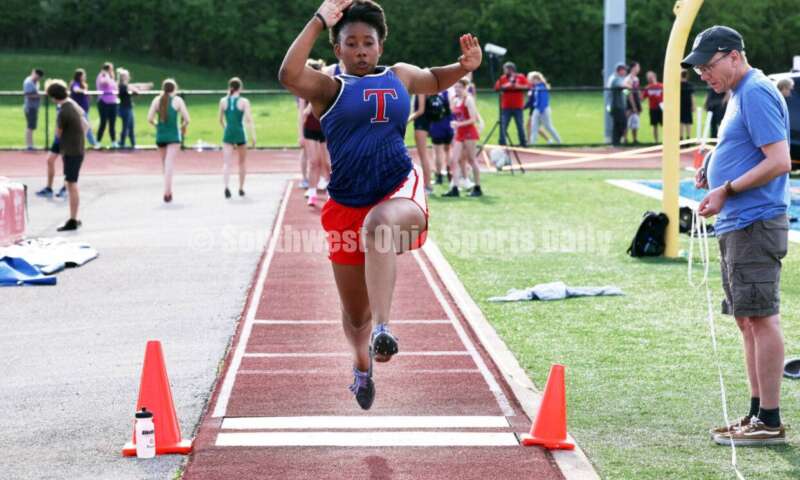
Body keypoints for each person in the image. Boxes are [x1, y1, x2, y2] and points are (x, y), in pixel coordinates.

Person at [278, 0, 481, 410]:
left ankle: (384, 330)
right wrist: (319, 22)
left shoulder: (400, 76)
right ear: (337, 50)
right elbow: (288, 74)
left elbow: (435, 79)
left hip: (397, 189)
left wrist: (464, 66)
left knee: (380, 226)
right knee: (355, 314)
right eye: (350, 43)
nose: (360, 50)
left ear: (380, 46)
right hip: (345, 205)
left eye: (367, 42)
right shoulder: (328, 87)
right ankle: (361, 363)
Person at [687, 25, 791, 447]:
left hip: (755, 220)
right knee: (747, 319)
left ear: (732, 56)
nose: (703, 75)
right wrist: (713, 164)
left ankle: (769, 418)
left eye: (708, 66)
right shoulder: (739, 93)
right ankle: (755, 413)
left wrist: (726, 187)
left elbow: (779, 159)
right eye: (699, 70)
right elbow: (749, 147)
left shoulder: (755, 91)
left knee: (761, 318)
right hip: (740, 221)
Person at [45, 80, 89, 231]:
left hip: (71, 151)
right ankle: (74, 217)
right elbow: (85, 125)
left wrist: (70, 137)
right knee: (71, 183)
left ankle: (73, 219)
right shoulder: (72, 105)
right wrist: (78, 137)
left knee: (71, 183)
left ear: (53, 97)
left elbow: (58, 132)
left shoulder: (63, 111)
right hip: (76, 148)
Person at [148, 79, 190, 203]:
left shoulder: (156, 100)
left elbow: (149, 118)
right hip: (173, 136)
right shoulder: (178, 101)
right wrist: (181, 127)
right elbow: (187, 119)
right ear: (174, 88)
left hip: (161, 136)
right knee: (169, 164)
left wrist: (157, 125)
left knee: (165, 164)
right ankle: (167, 192)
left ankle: (167, 188)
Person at [442, 78, 482, 197]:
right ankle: (455, 188)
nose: (456, 90)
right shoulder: (455, 100)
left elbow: (473, 119)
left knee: (471, 159)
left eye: (459, 87)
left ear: (465, 88)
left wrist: (458, 124)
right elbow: (453, 114)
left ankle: (477, 187)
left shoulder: (468, 99)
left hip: (469, 132)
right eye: (455, 88)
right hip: (459, 133)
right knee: (454, 160)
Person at [219, 77, 256, 198]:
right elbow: (249, 120)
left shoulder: (223, 101)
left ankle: (226, 186)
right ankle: (241, 188)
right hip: (240, 132)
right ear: (240, 88)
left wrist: (226, 129)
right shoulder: (244, 101)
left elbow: (220, 120)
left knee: (226, 163)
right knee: (242, 162)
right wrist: (253, 136)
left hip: (228, 132)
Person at [298, 60, 327, 206]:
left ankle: (332, 192)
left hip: (325, 129)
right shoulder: (304, 90)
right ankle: (312, 192)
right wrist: (300, 135)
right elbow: (301, 113)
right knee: (314, 161)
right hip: (310, 128)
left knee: (327, 163)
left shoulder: (325, 87)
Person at [34, 104, 67, 199]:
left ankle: (65, 188)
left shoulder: (68, 106)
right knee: (50, 160)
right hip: (57, 139)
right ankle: (49, 188)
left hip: (66, 140)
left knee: (66, 163)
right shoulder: (59, 106)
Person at [493, 61, 529, 147]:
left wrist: (516, 86)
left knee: (520, 125)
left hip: (518, 107)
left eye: (505, 69)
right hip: (506, 107)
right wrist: (507, 85)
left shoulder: (520, 77)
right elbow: (496, 88)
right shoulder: (503, 78)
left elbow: (528, 86)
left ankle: (523, 143)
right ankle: (502, 143)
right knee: (503, 125)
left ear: (511, 69)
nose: (504, 71)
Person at [117, 68, 152, 149]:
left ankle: (133, 144)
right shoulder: (122, 86)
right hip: (124, 109)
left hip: (129, 108)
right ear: (124, 77)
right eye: (127, 76)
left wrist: (143, 87)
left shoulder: (126, 86)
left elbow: (135, 90)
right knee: (125, 127)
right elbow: (135, 91)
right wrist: (140, 89)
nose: (129, 77)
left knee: (131, 127)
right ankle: (122, 143)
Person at [427, 89, 454, 186]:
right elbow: (452, 108)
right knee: (448, 150)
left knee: (437, 152)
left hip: (436, 126)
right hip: (448, 125)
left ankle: (439, 176)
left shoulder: (431, 92)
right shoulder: (448, 92)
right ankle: (449, 172)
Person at [527, 72, 562, 145]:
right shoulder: (536, 88)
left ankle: (559, 141)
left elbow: (543, 101)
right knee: (534, 127)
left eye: (532, 80)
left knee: (548, 126)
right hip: (536, 109)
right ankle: (533, 143)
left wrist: (540, 111)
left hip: (543, 110)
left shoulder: (542, 87)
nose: (531, 81)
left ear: (536, 79)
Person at [408, 93, 433, 194]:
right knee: (423, 155)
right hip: (421, 123)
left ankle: (428, 185)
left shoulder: (421, 90)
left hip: (421, 124)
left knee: (423, 155)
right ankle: (427, 184)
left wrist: (406, 120)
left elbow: (420, 110)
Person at [69, 69, 98, 147]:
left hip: (84, 109)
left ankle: (77, 143)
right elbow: (76, 89)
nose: (85, 77)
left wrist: (88, 96)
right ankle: (94, 143)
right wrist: (84, 91)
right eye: (83, 75)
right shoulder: (75, 83)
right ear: (79, 76)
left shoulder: (83, 84)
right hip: (79, 110)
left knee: (82, 126)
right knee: (86, 126)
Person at [96, 62, 119, 148]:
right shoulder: (102, 76)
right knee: (103, 122)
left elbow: (115, 87)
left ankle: (113, 142)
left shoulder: (110, 77)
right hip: (103, 102)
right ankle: (98, 142)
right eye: (111, 69)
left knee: (112, 124)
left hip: (113, 103)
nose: (112, 70)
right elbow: (104, 83)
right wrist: (105, 74)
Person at [607, 63, 628, 146]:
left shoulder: (619, 78)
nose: (625, 71)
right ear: (620, 70)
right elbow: (622, 86)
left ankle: (616, 142)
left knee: (618, 124)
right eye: (624, 70)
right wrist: (628, 86)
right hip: (616, 106)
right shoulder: (615, 78)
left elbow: (625, 91)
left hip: (619, 106)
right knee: (622, 123)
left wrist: (629, 91)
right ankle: (616, 142)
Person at [23, 68, 44, 150]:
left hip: (34, 107)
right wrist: (38, 96)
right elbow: (28, 95)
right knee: (30, 126)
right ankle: (29, 145)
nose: (38, 79)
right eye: (37, 76)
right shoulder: (28, 82)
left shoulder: (36, 82)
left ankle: (31, 144)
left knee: (32, 126)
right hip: (30, 107)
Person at [641, 71, 664, 143]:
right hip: (653, 108)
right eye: (648, 77)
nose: (650, 78)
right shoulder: (647, 88)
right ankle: (656, 141)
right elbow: (642, 98)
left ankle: (666, 141)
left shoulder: (661, 86)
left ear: (655, 76)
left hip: (661, 108)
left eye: (651, 77)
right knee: (654, 125)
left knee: (664, 125)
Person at [625, 62, 642, 144]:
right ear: (633, 68)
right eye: (638, 66)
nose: (639, 68)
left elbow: (637, 91)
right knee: (627, 121)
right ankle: (625, 139)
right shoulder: (628, 79)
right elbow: (628, 93)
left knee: (636, 121)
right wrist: (633, 106)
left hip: (636, 102)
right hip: (630, 103)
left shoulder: (636, 79)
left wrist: (639, 101)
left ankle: (635, 139)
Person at [680, 69, 695, 140]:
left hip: (680, 105)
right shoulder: (690, 85)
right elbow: (692, 96)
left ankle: (681, 138)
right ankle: (688, 138)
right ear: (687, 76)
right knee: (688, 122)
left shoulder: (677, 84)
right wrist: (693, 105)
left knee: (681, 122)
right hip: (688, 105)